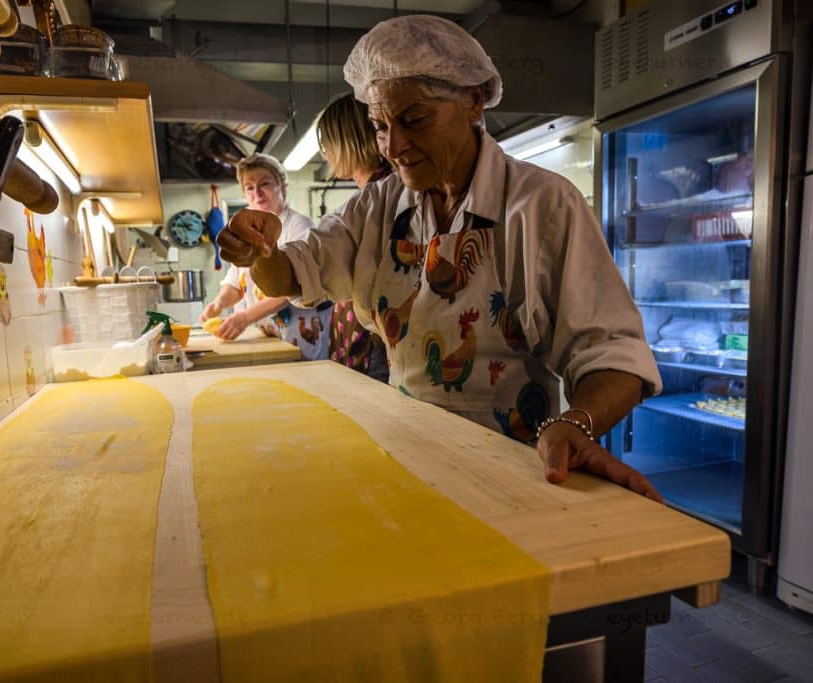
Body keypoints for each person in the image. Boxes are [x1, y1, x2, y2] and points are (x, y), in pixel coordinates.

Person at [216, 15, 664, 501]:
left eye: (414, 121)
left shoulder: (541, 205)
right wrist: (258, 248)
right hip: (407, 456)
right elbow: (297, 270)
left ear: (473, 101)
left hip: (516, 472)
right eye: (380, 126)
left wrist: (574, 423)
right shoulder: (380, 206)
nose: (394, 147)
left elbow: (613, 353)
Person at [200, 153, 331, 359]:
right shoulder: (245, 231)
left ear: (282, 186)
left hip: (298, 338)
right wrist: (218, 304)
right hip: (263, 337)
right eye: (249, 187)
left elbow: (290, 285)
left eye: (265, 184)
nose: (257, 193)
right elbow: (236, 283)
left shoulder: (299, 226)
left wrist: (244, 318)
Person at [317, 93, 390, 382]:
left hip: (375, 347)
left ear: (349, 140)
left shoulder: (383, 196)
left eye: (327, 144)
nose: (325, 154)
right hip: (363, 345)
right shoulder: (369, 196)